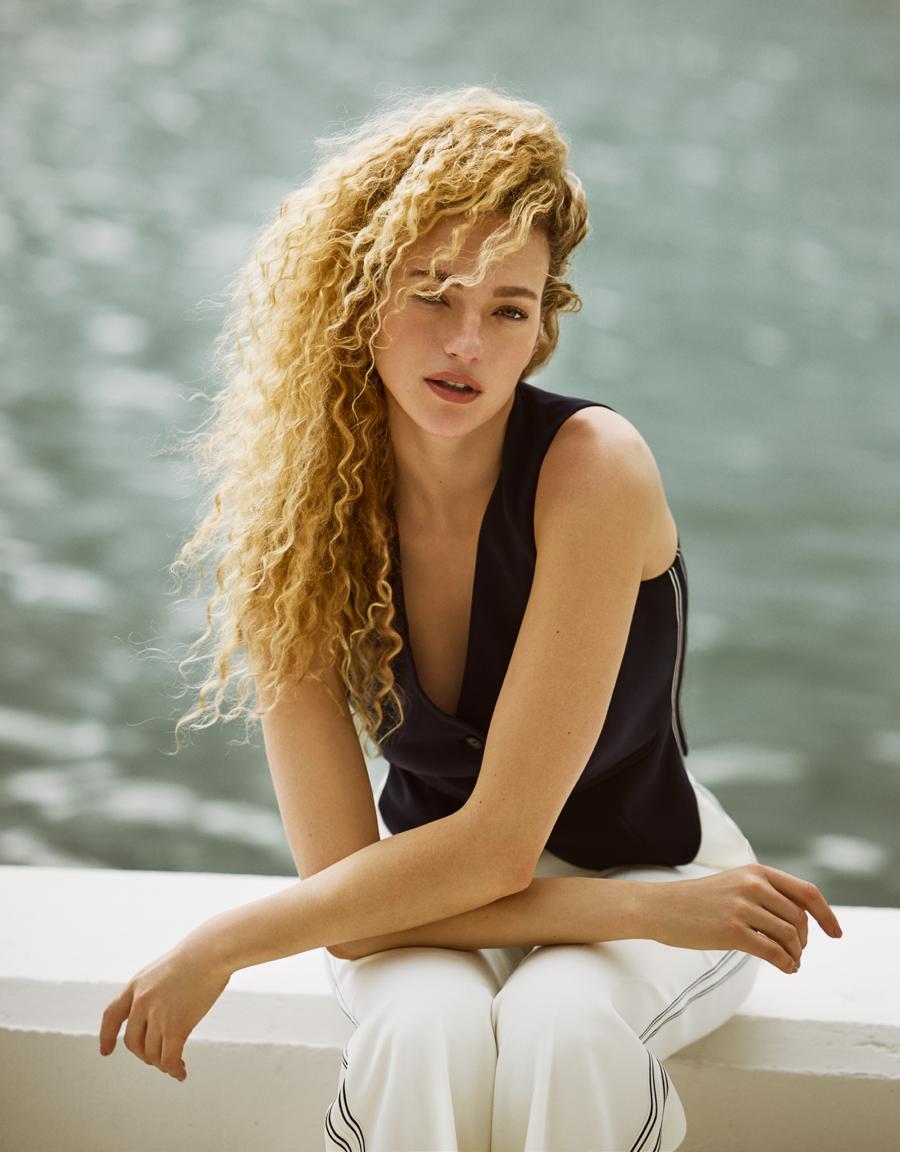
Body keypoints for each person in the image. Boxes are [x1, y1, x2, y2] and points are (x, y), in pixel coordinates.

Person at [97, 87, 843, 1151]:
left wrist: (221, 944)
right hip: (443, 889)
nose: (468, 344)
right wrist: (636, 918)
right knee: (423, 1029)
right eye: (433, 294)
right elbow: (343, 889)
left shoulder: (592, 471)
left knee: (562, 1028)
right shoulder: (296, 520)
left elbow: (490, 850)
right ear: (357, 295)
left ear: (543, 325)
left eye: (508, 308)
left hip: (657, 866)